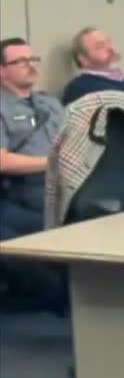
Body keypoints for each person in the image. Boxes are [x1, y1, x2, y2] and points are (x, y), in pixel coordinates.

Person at [0, 38, 64, 240]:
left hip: (68, 183)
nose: (31, 65)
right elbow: (2, 161)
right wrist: (54, 163)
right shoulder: (3, 107)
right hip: (27, 190)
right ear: (2, 71)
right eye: (21, 61)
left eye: (33, 59)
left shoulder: (50, 103)